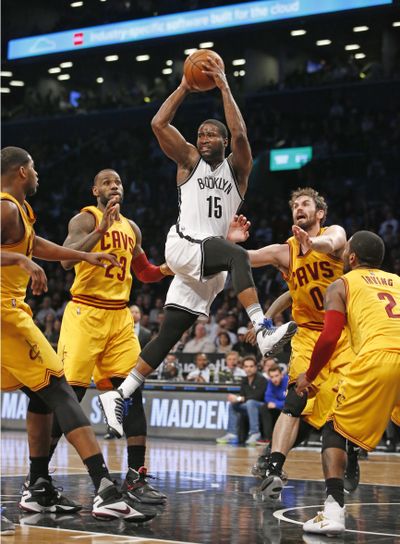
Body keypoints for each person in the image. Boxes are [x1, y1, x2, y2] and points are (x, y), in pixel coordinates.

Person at [99, 55, 296, 437]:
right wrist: (186, 87)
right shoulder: (189, 161)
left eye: (211, 135)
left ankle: (120, 394)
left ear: (223, 142)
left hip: (210, 265)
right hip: (186, 246)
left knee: (170, 334)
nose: (204, 139)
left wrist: (224, 86)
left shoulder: (238, 172)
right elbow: (158, 124)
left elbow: (241, 136)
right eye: (200, 134)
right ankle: (263, 327)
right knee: (238, 255)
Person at [0, 146, 145, 521]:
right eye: (32, 169)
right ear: (19, 172)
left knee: (43, 392)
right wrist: (18, 259)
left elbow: (39, 248)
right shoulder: (5, 207)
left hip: (15, 312)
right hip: (6, 314)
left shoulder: (21, 211)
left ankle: (39, 487)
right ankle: (105, 489)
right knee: (61, 390)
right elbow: (25, 253)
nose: (37, 175)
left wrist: (88, 252)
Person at [49, 168, 170, 507]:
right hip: (84, 313)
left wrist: (163, 271)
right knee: (68, 394)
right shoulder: (84, 220)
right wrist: (100, 229)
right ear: (95, 190)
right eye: (107, 182)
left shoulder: (131, 228)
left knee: (132, 392)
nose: (114, 186)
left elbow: (143, 272)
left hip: (119, 317)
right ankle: (39, 478)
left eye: (118, 182)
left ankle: (136, 476)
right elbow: (64, 261)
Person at [248, 187, 353, 499]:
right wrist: (228, 241)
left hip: (342, 333)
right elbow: (250, 260)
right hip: (308, 334)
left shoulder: (333, 235)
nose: (299, 208)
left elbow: (333, 242)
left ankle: (353, 458)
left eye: (305, 204)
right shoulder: (286, 251)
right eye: (295, 205)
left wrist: (313, 243)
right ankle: (274, 465)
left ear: (319, 213)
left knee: (338, 409)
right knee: (296, 400)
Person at [295, 231, 400, 535]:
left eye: (345, 250)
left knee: (333, 427)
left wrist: (310, 375)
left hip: (378, 357)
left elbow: (329, 338)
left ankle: (333, 511)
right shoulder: (397, 281)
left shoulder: (341, 284)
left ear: (352, 258)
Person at [216, 355, 267, 445]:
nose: (248, 369)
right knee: (233, 405)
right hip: (248, 406)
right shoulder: (244, 380)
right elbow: (243, 395)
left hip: (262, 406)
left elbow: (258, 396)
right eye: (246, 366)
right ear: (243, 368)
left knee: (251, 402)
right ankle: (232, 433)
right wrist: (236, 399)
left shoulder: (262, 379)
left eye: (251, 366)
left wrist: (239, 398)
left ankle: (255, 433)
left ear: (256, 367)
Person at [259, 364, 289, 443]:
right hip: (278, 408)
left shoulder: (288, 381)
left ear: (282, 375)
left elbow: (290, 401)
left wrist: (277, 404)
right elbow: (268, 397)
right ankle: (268, 438)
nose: (274, 379)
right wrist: (277, 404)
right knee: (264, 407)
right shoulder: (270, 383)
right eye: (272, 377)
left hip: (288, 408)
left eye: (276, 376)